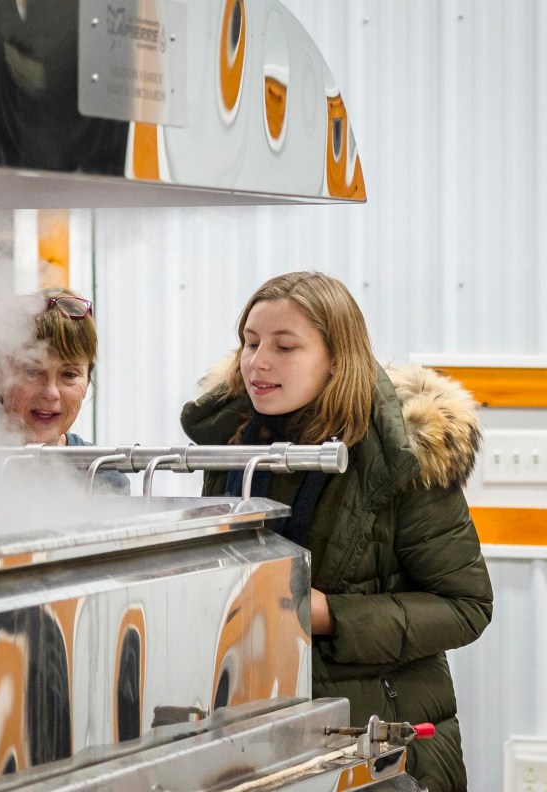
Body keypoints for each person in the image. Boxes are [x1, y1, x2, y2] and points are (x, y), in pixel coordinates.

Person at [180, 271, 492, 792]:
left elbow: (466, 607)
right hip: (259, 728)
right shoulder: (233, 440)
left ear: (336, 359)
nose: (258, 362)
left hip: (378, 747)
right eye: (250, 343)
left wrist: (331, 616)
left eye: (285, 347)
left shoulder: (400, 457)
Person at [0, 287, 129, 494]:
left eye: (69, 375)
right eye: (32, 372)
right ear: (0, 376)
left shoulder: (101, 477)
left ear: (87, 381)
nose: (51, 393)